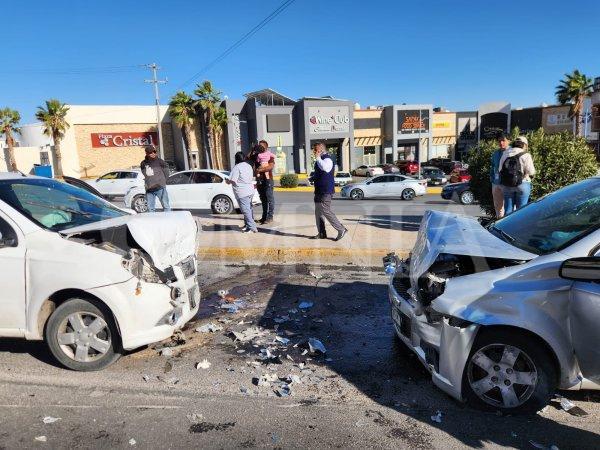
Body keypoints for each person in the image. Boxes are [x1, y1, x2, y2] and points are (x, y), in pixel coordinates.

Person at [310, 142, 347, 241]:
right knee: (318, 212)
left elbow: (326, 168)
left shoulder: (327, 159)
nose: (314, 151)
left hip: (326, 190)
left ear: (321, 149)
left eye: (316, 150)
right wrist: (313, 177)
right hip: (319, 190)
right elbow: (321, 173)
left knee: (325, 210)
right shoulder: (320, 160)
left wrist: (318, 158)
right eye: (314, 150)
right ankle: (321, 233)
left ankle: (341, 229)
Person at [499, 136, 536, 214]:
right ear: (524, 145)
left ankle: (507, 225)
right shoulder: (526, 155)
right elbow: (531, 171)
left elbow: (500, 170)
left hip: (507, 184)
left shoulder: (505, 153)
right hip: (522, 183)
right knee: (521, 211)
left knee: (508, 210)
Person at [226, 151, 258, 233]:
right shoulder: (248, 166)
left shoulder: (237, 167)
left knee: (246, 210)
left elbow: (233, 180)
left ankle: (252, 228)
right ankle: (248, 225)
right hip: (250, 190)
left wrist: (227, 181)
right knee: (249, 209)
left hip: (242, 192)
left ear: (236, 158)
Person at [140, 145, 170, 212]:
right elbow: (144, 173)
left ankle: (168, 220)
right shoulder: (143, 163)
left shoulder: (160, 161)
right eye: (151, 152)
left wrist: (163, 181)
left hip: (160, 188)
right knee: (150, 208)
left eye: (154, 152)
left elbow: (167, 172)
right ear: (147, 153)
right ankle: (152, 221)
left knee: (166, 206)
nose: (153, 153)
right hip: (149, 189)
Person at [255, 140, 275, 224]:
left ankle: (270, 217)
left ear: (266, 147)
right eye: (259, 146)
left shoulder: (270, 156)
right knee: (263, 199)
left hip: (268, 179)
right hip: (260, 180)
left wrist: (260, 169)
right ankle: (264, 217)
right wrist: (254, 149)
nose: (260, 147)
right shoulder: (258, 155)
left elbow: (270, 167)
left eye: (262, 146)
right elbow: (248, 159)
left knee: (269, 199)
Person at [490, 133, 509, 218]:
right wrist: (492, 179)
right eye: (499, 141)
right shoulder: (495, 154)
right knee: (498, 207)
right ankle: (499, 223)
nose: (501, 143)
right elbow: (492, 167)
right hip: (496, 183)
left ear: (509, 140)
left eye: (503, 140)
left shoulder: (512, 152)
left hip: (508, 184)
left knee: (509, 207)